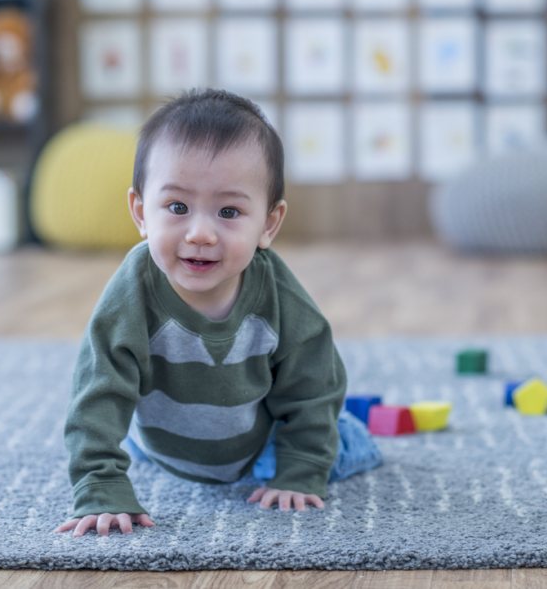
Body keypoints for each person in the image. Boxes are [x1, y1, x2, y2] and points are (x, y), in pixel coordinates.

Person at [56, 88, 382, 537]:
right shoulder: (133, 291)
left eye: (229, 211)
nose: (201, 233)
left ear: (268, 224)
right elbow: (98, 394)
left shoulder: (276, 293)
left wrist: (302, 469)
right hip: (160, 446)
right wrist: (101, 483)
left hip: (258, 449)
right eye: (177, 207)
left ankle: (348, 434)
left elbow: (314, 381)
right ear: (140, 212)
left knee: (341, 444)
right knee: (116, 418)